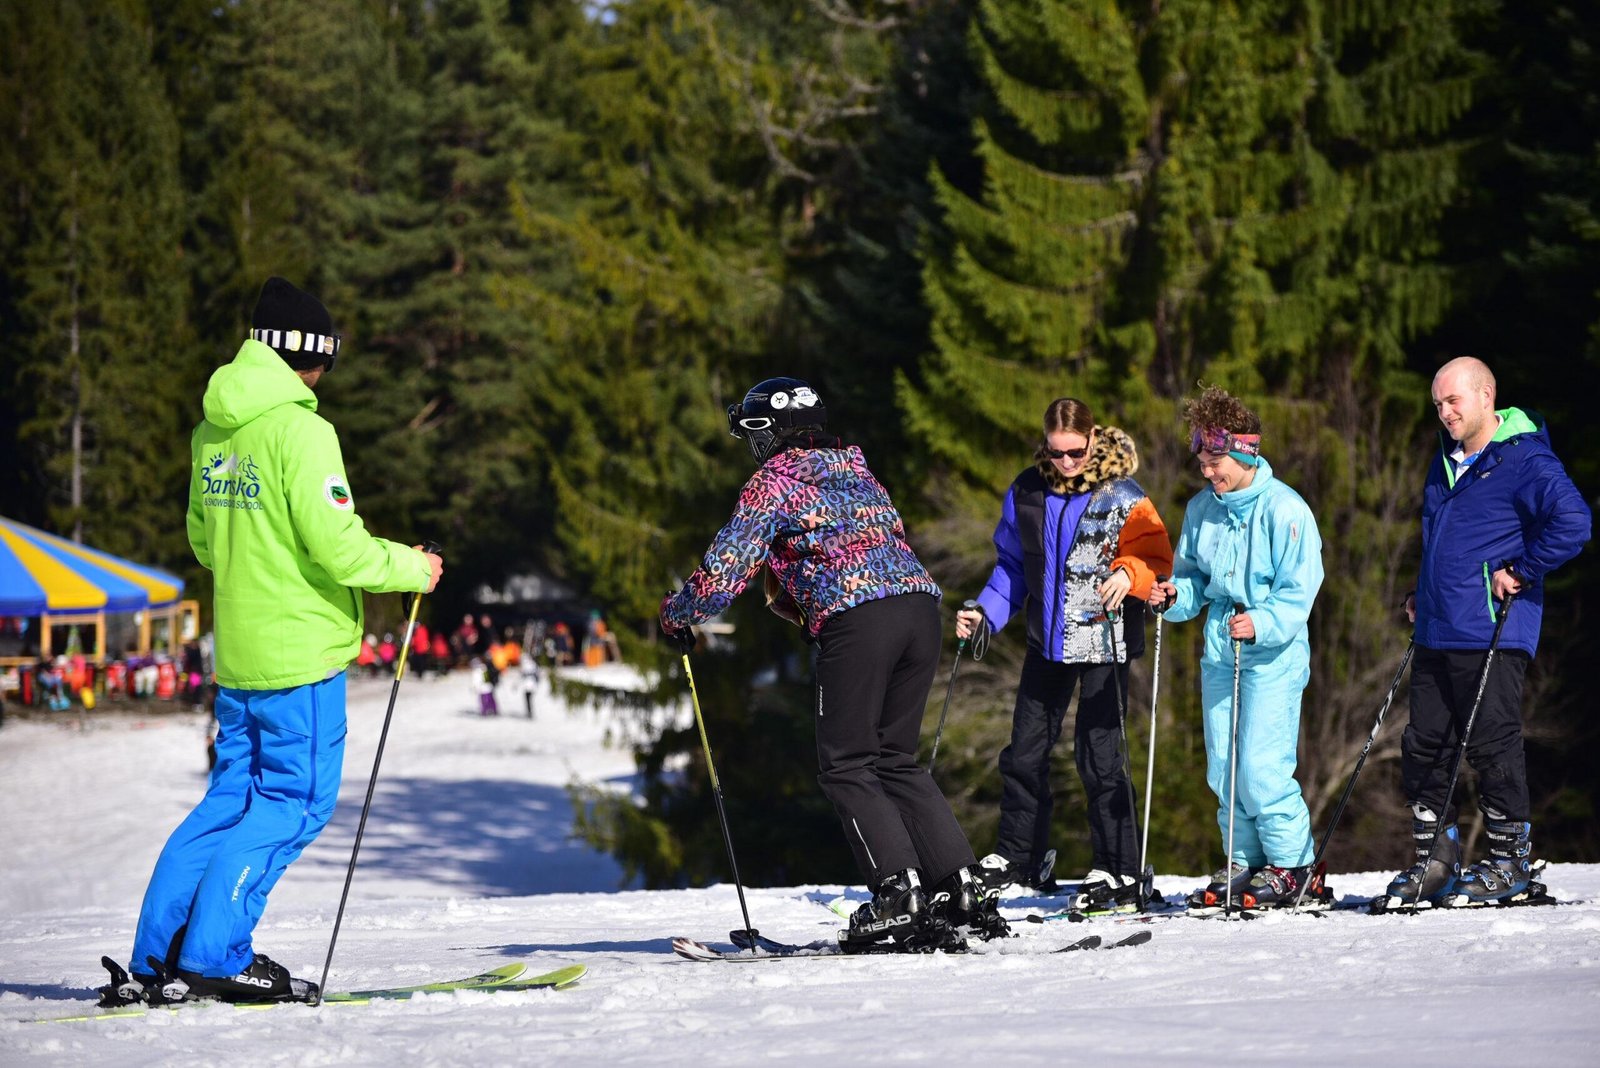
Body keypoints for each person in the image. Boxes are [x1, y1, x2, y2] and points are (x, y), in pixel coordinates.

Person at [102, 277, 442, 1008]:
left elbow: (202, 538)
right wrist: (414, 567)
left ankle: (157, 955)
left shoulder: (214, 426)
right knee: (294, 803)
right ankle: (217, 954)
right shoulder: (301, 431)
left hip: (242, 655)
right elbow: (340, 549)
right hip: (301, 655)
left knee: (229, 799)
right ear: (307, 357)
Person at [660, 376, 1005, 952]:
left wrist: (677, 615)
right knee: (896, 760)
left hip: (858, 619)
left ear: (769, 432)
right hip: (920, 611)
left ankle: (897, 894)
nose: (753, 446)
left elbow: (726, 568)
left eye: (753, 432)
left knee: (847, 764)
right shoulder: (855, 468)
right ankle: (958, 885)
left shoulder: (775, 480)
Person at [1383, 357, 1590, 908]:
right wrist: (1419, 592)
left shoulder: (1525, 458)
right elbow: (1444, 543)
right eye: (1438, 405)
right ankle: (1435, 860)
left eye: (1453, 401)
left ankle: (1510, 861)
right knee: (1423, 744)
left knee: (1491, 742)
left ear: (1486, 394)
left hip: (1492, 626)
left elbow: (1574, 522)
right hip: (1436, 627)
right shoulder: (1445, 461)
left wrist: (1521, 571)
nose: (1445, 412)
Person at [955, 398, 1172, 907]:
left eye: (1076, 451)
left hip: (1103, 640)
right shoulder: (1028, 491)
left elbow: (1155, 558)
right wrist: (985, 612)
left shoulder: (1123, 495)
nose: (1067, 462)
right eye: (1057, 453)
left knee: (1099, 759)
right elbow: (1012, 566)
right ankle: (1019, 858)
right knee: (1024, 752)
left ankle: (1117, 869)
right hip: (1045, 642)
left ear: (1093, 439)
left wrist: (1129, 573)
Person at [1148, 386, 1326, 911]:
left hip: (1271, 654)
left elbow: (1301, 588)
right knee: (1224, 765)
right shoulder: (1203, 509)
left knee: (1261, 765)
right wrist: (1174, 595)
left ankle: (1292, 864)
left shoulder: (1286, 509)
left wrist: (1263, 621)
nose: (1207, 471)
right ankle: (1242, 859)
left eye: (1216, 460)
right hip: (1221, 651)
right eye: (1202, 461)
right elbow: (1194, 578)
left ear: (1245, 453)